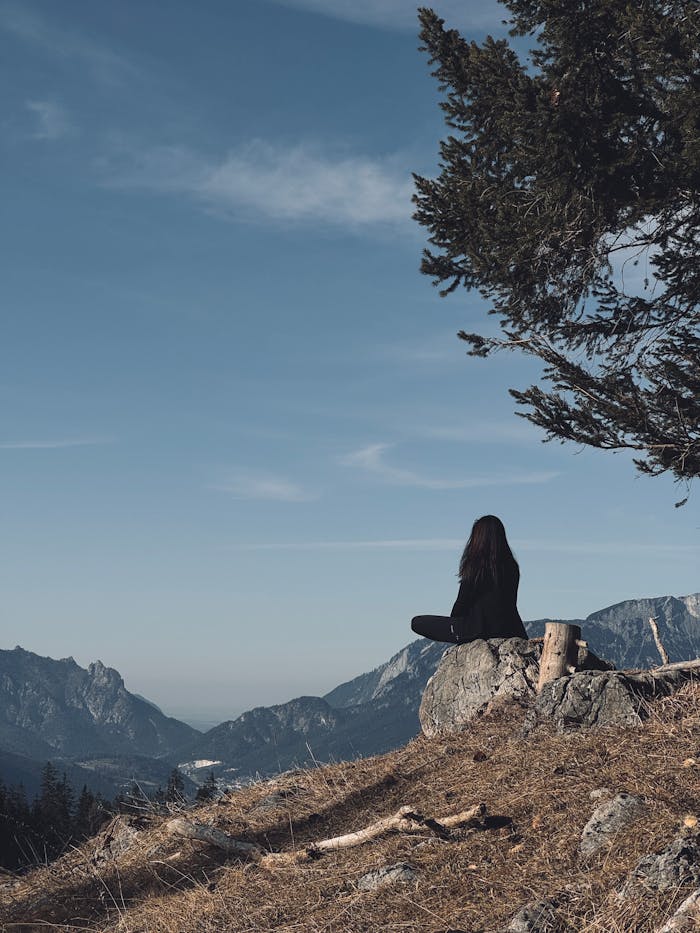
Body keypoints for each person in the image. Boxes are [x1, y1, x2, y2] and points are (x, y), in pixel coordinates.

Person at [411, 515, 527, 644]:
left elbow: (462, 602)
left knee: (417, 622)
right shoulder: (512, 566)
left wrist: (455, 624)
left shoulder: (477, 565)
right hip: (510, 628)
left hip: (477, 629)